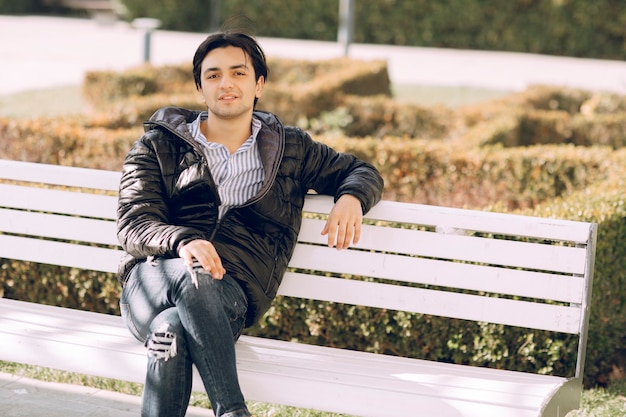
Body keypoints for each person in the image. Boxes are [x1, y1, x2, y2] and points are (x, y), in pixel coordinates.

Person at [116, 28, 384, 417]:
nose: (226, 83)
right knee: (193, 271)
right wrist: (182, 241)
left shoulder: (289, 148)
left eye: (238, 73)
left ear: (259, 84)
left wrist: (351, 197)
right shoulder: (159, 145)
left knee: (170, 330)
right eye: (213, 75)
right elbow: (134, 221)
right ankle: (233, 410)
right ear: (200, 88)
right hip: (153, 280)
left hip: (229, 296)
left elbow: (360, 170)